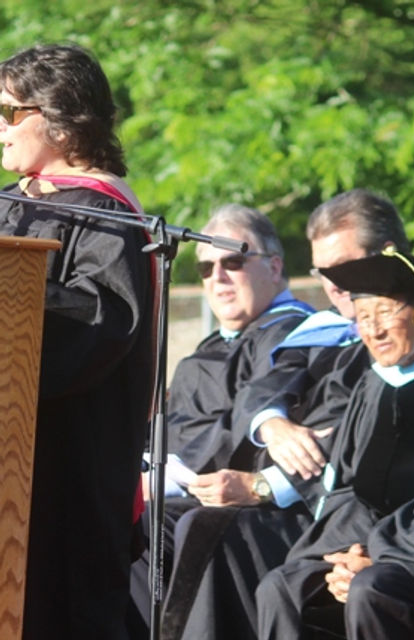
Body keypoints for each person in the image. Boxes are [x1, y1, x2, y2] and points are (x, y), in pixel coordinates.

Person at [160, 190, 414, 640]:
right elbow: (269, 396)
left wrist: (372, 549)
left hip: (409, 539)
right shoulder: (341, 342)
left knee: (216, 533)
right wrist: (271, 422)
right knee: (276, 583)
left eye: (344, 266)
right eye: (322, 271)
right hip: (342, 520)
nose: (335, 284)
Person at [0, 44, 155, 640]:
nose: (1, 127)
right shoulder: (16, 205)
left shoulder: (105, 216)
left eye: (11, 112)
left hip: (64, 477)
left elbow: (98, 324)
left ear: (61, 121)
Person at [256, 246, 414, 640]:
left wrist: (380, 555)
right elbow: (346, 490)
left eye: (386, 312)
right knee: (281, 586)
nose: (374, 331)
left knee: (370, 588)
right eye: (363, 317)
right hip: (376, 548)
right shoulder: (373, 383)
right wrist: (347, 556)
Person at [129, 203, 315, 635]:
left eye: (233, 261)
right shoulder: (205, 351)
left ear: (274, 266)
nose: (218, 277)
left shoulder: (301, 337)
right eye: (206, 268)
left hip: (269, 505)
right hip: (186, 495)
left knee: (172, 525)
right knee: (114, 516)